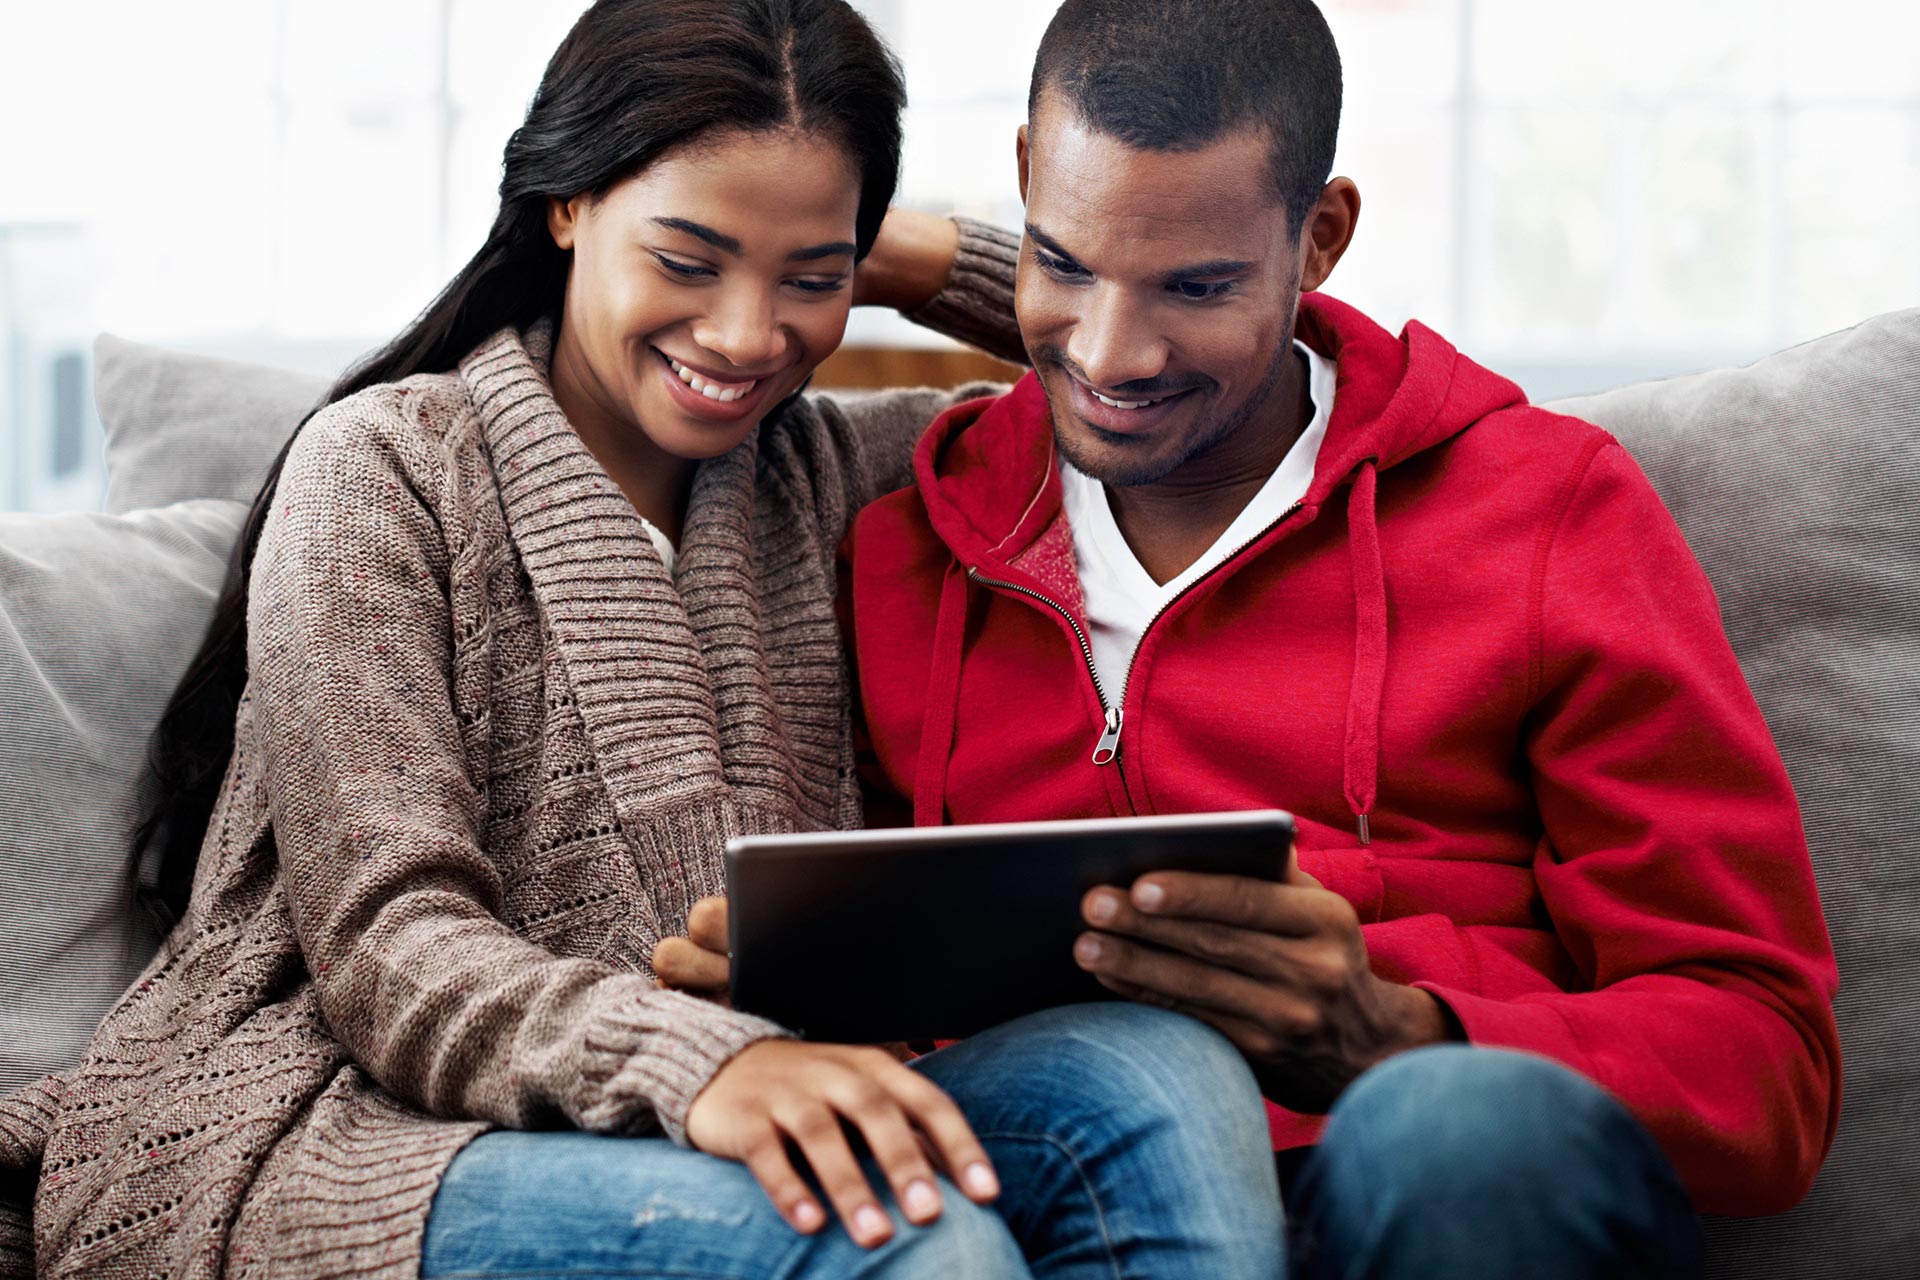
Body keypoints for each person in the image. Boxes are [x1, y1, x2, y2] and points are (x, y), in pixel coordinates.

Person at [0, 3, 1288, 1278]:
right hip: (364, 1120)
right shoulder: (384, 469)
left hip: (736, 1092)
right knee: (909, 1238)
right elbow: (387, 945)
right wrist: (698, 1062)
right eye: (688, 257)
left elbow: (1162, 371)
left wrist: (890, 246)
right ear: (566, 204)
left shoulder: (844, 470)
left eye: (808, 280)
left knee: (1159, 1071)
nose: (744, 335)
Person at [821, 1, 1841, 1275]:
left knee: (1450, 1134)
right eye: (1064, 262)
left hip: (1418, 1187)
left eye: (1197, 287)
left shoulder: (1543, 509)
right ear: (1025, 180)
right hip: (1056, 1190)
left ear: (1321, 238)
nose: (1110, 353)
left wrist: (1396, 1032)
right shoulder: (911, 536)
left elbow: (1767, 1065)